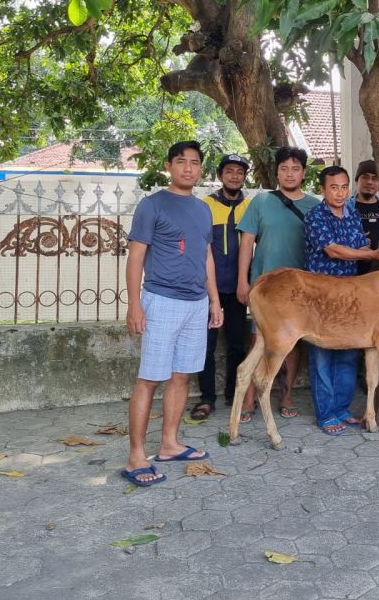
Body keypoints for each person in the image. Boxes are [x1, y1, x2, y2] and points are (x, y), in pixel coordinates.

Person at [122, 140, 223, 487]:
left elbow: (206, 255)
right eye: (181, 162)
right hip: (161, 300)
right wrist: (134, 303)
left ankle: (169, 444)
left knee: (181, 377)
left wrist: (214, 301)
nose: (189, 168)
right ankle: (136, 455)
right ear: (169, 165)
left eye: (195, 163)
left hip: (196, 304)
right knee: (150, 379)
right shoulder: (152, 205)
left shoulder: (202, 209)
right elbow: (136, 256)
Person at [304, 165, 379, 435]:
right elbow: (334, 251)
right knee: (322, 354)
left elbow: (361, 247)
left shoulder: (352, 213)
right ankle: (326, 413)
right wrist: (373, 255)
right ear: (323, 189)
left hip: (352, 295)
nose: (340, 192)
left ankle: (342, 408)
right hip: (321, 296)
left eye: (344, 187)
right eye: (334, 187)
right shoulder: (315, 216)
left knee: (347, 352)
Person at [236, 146, 320, 420]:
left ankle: (286, 395)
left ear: (304, 173)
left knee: (294, 343)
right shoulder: (261, 202)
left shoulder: (315, 206)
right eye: (284, 168)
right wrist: (243, 281)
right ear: (276, 172)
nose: (289, 173)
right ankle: (248, 399)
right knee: (257, 340)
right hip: (265, 288)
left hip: (300, 290)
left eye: (295, 168)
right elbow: (246, 243)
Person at [190, 153, 252, 422]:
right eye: (229, 171)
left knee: (238, 344)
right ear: (220, 175)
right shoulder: (206, 206)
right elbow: (200, 250)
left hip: (239, 288)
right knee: (206, 344)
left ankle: (233, 395)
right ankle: (207, 398)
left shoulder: (250, 206)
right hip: (209, 289)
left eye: (239, 171)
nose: (234, 176)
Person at [346, 159, 379, 275]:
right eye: (365, 177)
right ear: (357, 180)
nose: (369, 182)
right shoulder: (346, 208)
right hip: (352, 271)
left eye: (375, 178)